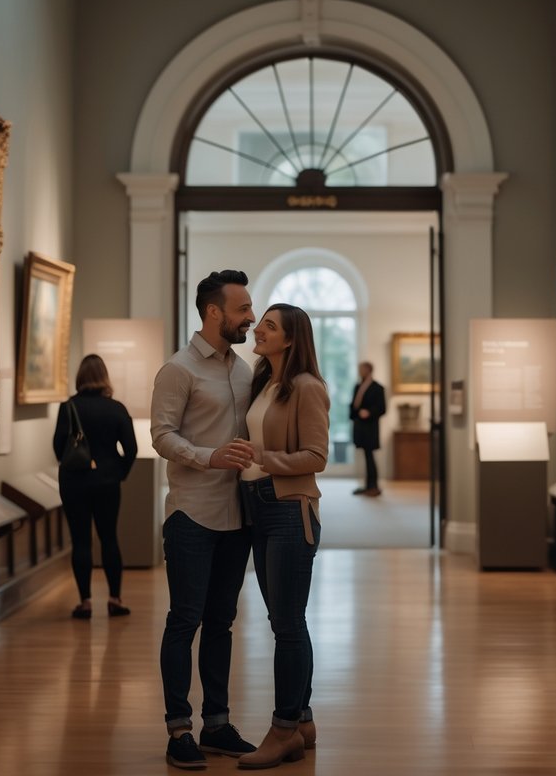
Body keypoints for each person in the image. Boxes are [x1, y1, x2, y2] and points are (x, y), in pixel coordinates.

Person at [151, 269, 259, 770]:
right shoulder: (178, 369)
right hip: (192, 515)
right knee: (184, 621)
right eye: (242, 309)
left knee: (222, 623)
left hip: (237, 518)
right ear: (214, 312)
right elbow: (162, 436)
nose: (251, 318)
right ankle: (178, 730)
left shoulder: (244, 370)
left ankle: (217, 724)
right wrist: (208, 457)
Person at [233, 303, 328, 769]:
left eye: (269, 326)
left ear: (290, 339)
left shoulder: (308, 388)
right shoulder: (263, 383)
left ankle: (283, 729)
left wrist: (265, 457)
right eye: (260, 322)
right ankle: (303, 721)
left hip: (289, 509)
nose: (258, 329)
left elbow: (317, 456)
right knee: (285, 622)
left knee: (287, 625)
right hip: (257, 507)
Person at [52, 354, 138, 620]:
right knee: (109, 538)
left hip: (74, 482)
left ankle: (85, 602)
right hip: (107, 482)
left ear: (80, 377)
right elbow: (131, 448)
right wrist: (118, 472)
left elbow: (58, 448)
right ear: (104, 377)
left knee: (80, 541)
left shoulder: (68, 407)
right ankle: (114, 598)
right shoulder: (116, 408)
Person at [349, 361, 386, 497]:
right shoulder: (358, 386)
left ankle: (374, 486)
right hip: (360, 427)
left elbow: (382, 408)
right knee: (366, 456)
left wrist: (369, 412)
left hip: (370, 427)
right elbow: (353, 406)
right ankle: (368, 486)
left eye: (361, 369)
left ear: (368, 370)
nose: (360, 371)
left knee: (370, 456)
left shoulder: (377, 388)